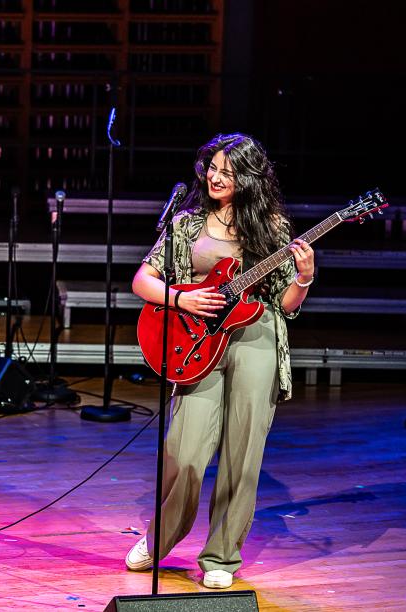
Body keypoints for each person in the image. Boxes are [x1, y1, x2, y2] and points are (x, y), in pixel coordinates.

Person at [126, 133, 315, 589]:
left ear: (248, 177)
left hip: (257, 338)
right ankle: (159, 537)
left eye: (227, 171)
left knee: (242, 452)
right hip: (199, 340)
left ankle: (221, 557)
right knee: (185, 450)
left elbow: (285, 303)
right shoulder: (187, 223)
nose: (215, 177)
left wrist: (305, 278)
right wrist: (181, 299)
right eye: (212, 167)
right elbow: (142, 280)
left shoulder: (271, 227)